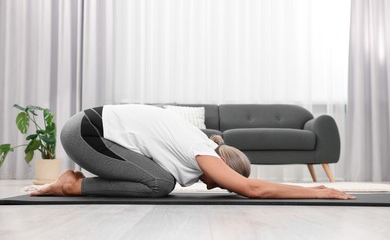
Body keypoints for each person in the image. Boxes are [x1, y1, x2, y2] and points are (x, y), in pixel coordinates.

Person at [31, 104, 355, 200]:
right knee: (160, 184)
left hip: (92, 128)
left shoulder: (199, 144)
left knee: (162, 179)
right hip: (87, 133)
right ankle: (71, 184)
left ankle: (74, 182)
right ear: (223, 166)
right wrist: (318, 191)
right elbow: (253, 189)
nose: (216, 186)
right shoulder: (204, 152)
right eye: (225, 182)